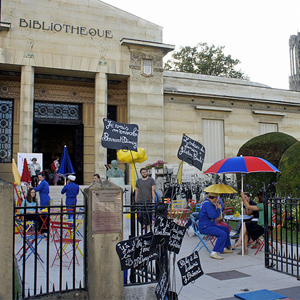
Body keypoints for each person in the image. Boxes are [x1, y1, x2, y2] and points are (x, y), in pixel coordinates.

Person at [232, 191, 271, 255]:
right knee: (245, 228)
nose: (257, 198)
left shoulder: (262, 206)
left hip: (261, 227)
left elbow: (248, 206)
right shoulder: (267, 205)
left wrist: (242, 197)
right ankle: (244, 249)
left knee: (245, 225)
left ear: (259, 198)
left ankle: (240, 242)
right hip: (265, 226)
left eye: (257, 197)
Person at [198, 193, 233, 260]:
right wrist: (219, 209)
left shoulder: (207, 202)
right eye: (217, 198)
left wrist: (216, 206)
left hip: (210, 224)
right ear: (214, 198)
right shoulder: (208, 204)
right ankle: (214, 252)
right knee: (222, 234)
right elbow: (213, 216)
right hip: (206, 227)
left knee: (225, 229)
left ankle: (224, 247)